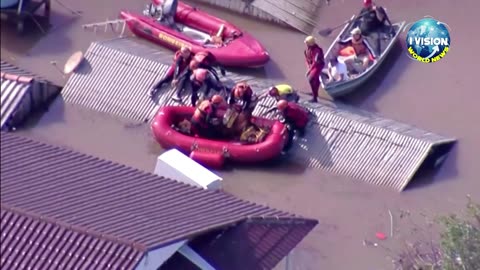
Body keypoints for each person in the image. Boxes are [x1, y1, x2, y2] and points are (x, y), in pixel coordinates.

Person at [304, 36, 325, 103]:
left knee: (311, 79)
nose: (306, 44)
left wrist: (309, 70)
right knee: (315, 79)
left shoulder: (317, 51)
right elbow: (307, 59)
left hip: (318, 65)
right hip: (312, 65)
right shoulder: (307, 50)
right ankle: (315, 92)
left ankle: (315, 97)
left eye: (307, 43)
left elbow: (315, 62)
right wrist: (308, 67)